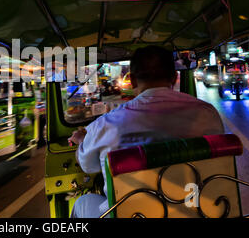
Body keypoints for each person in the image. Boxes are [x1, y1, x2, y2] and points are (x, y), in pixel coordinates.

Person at [68, 46, 225, 218]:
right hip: (196, 209)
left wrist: (83, 140)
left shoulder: (106, 124)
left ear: (133, 80)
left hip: (132, 213)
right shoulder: (207, 113)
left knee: (82, 203)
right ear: (174, 77)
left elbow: (87, 166)